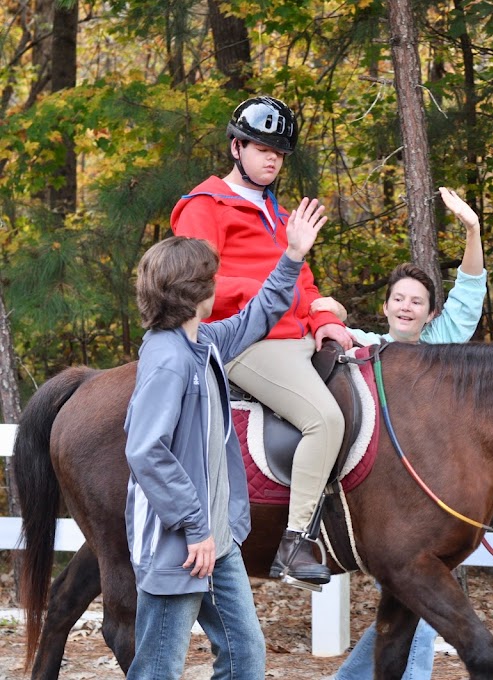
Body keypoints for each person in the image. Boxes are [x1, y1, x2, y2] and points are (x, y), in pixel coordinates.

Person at [124, 198, 328, 679]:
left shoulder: (204, 343)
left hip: (219, 539)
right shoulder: (168, 359)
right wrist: (195, 527)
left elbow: (259, 315)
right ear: (195, 291)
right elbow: (145, 449)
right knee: (158, 669)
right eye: (212, 279)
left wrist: (293, 257)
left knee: (245, 658)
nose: (218, 286)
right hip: (184, 544)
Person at [171, 95, 354, 586]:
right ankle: (296, 543)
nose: (271, 158)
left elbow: (306, 284)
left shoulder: (282, 213)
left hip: (297, 338)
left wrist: (323, 321)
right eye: (261, 147)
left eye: (279, 152)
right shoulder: (203, 207)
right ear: (237, 147)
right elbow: (198, 286)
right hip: (242, 342)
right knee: (324, 418)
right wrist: (275, 292)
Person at [332, 186, 485, 680]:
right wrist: (326, 311)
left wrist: (472, 230)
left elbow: (469, 294)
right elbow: (328, 333)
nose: (406, 307)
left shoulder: (439, 346)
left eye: (416, 301)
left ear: (428, 313)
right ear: (386, 306)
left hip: (426, 499)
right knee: (412, 599)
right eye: (399, 298)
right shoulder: (368, 348)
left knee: (410, 601)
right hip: (383, 496)